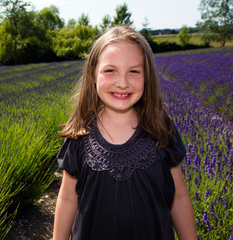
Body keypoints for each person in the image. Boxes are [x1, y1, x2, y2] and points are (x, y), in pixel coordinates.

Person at [53, 26, 197, 240]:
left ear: (147, 76)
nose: (122, 83)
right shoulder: (80, 134)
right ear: (93, 73)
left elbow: (178, 196)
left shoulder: (160, 128)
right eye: (110, 70)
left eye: (134, 71)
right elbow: (67, 199)